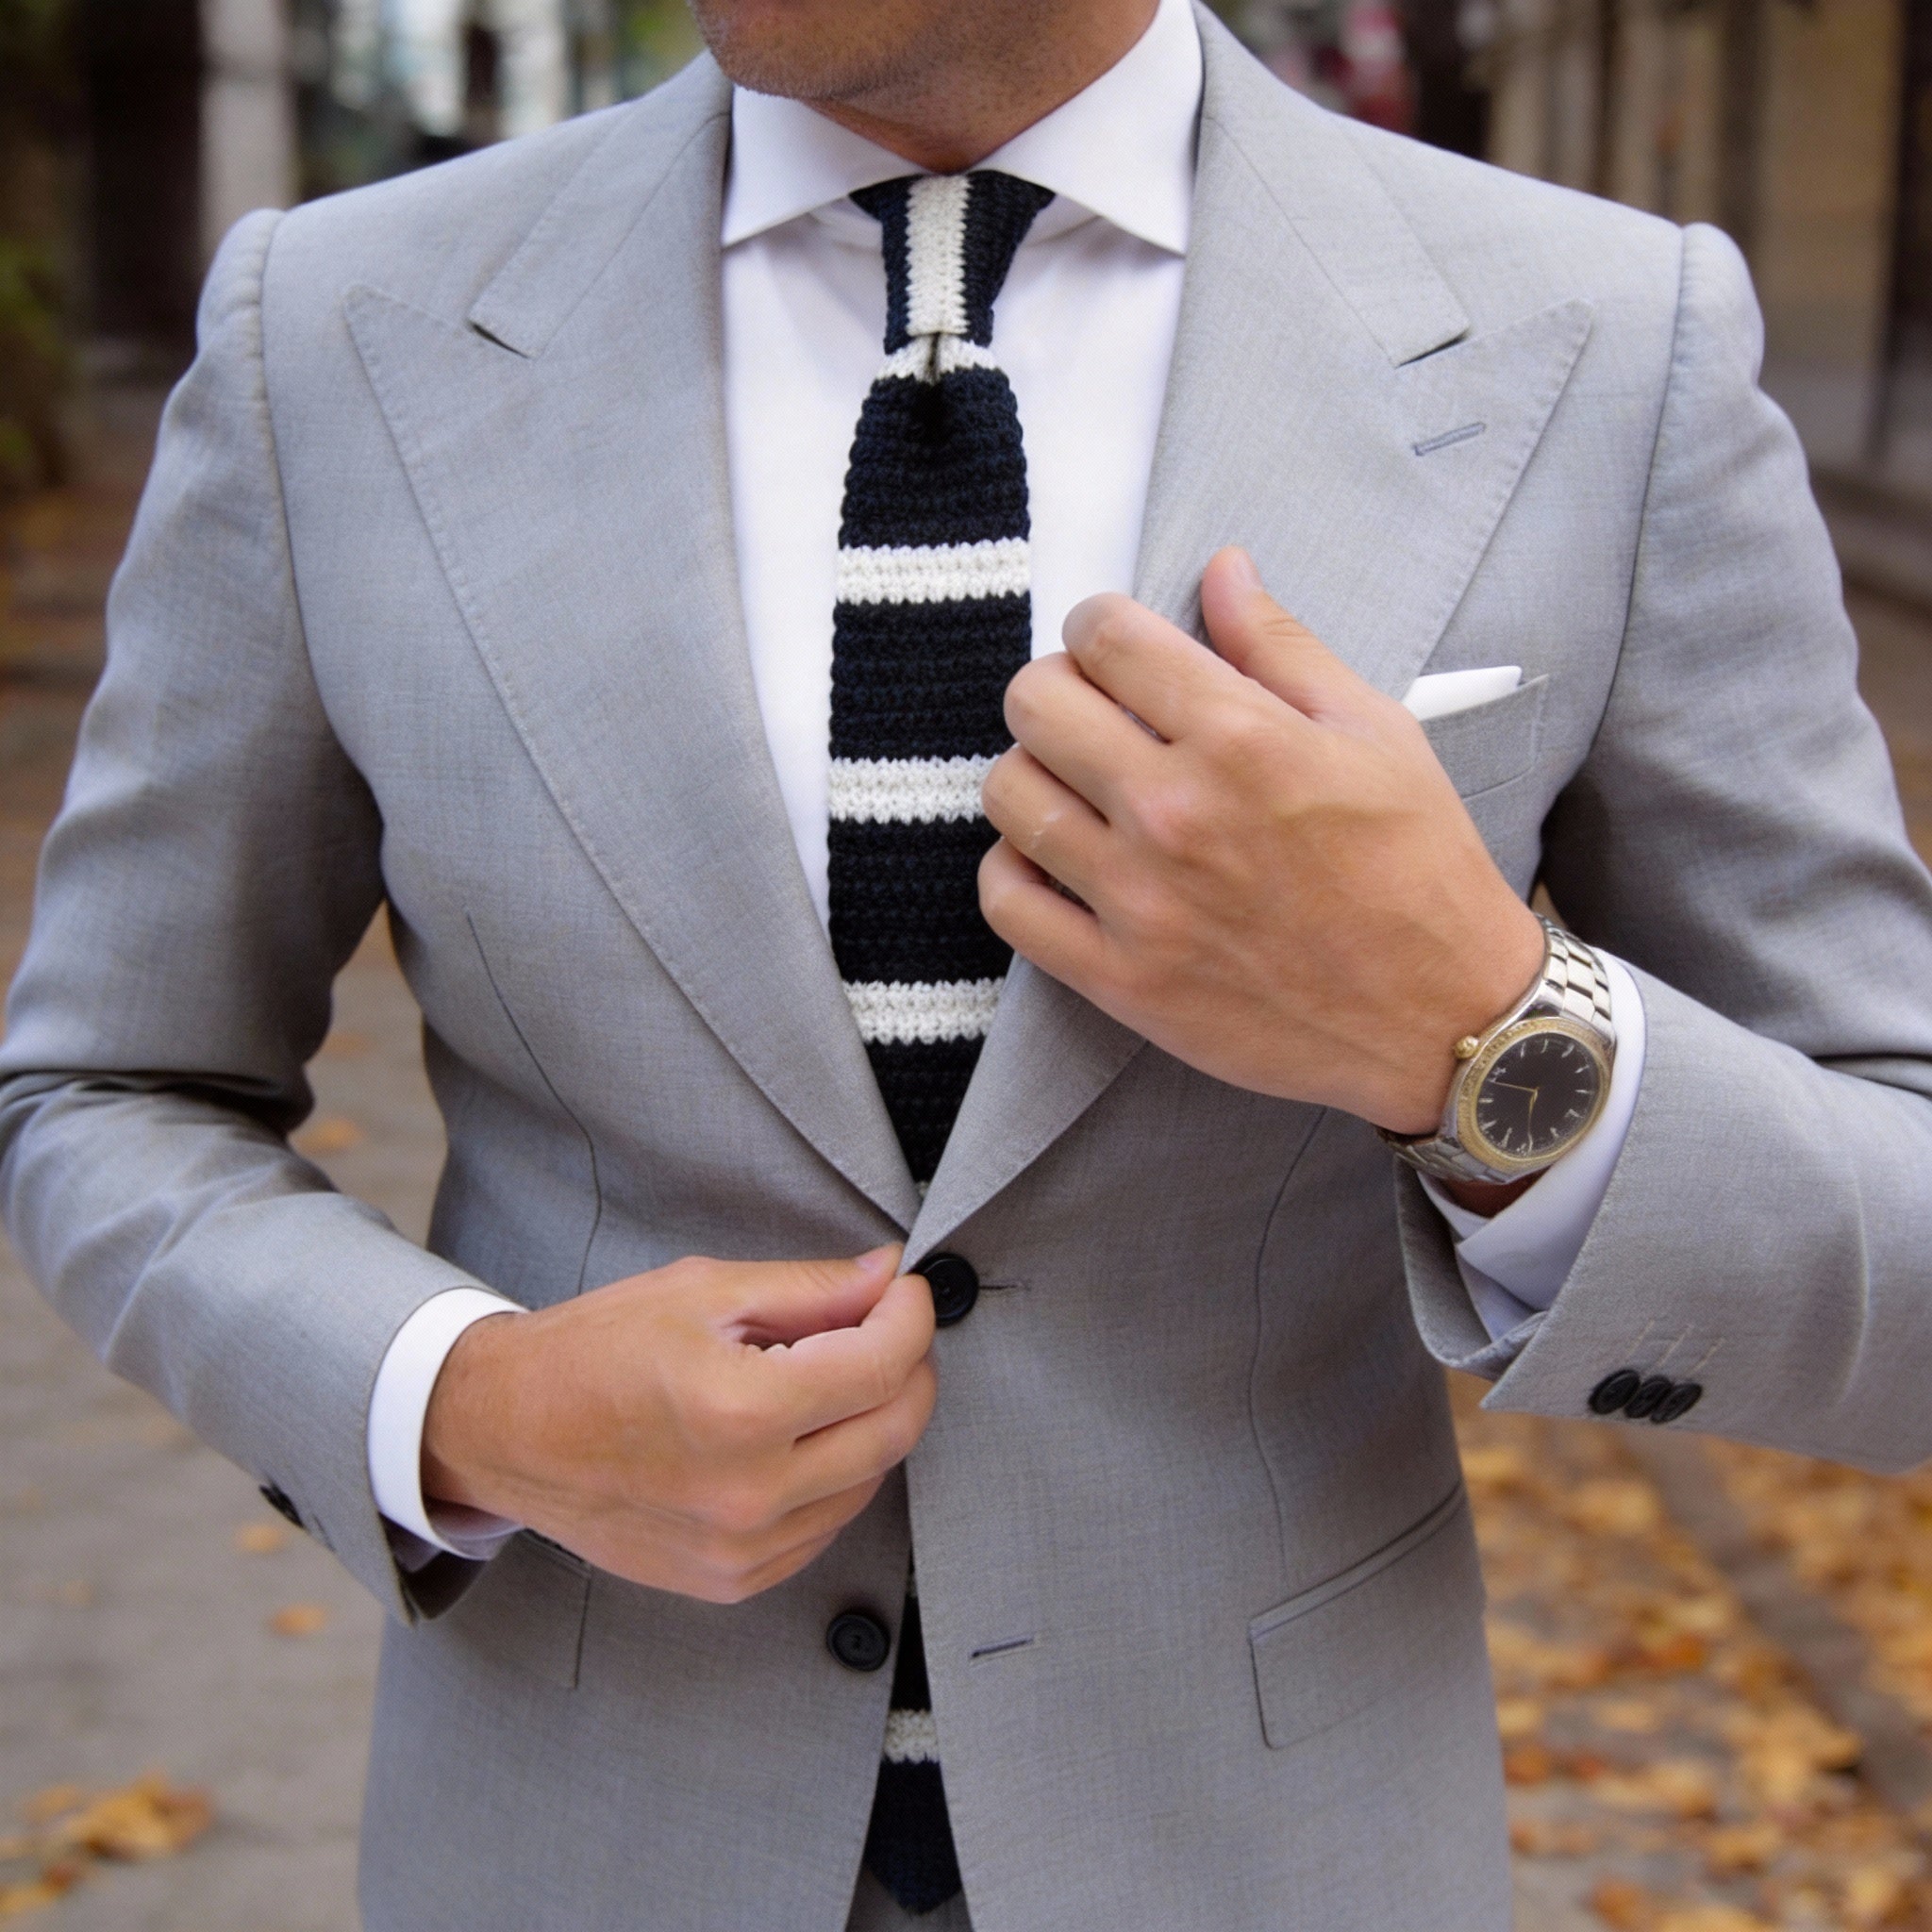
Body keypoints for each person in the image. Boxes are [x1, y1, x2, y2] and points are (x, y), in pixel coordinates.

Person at [6, 0, 1932, 1924]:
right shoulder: (330, 331)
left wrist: (1485, 1037)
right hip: (578, 1835)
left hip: (1264, 1853)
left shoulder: (1603, 341)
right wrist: (460, 1401)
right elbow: (109, 1086)